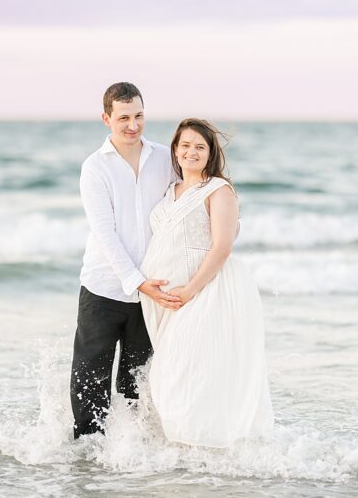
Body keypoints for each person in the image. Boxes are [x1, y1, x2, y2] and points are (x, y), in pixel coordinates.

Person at [139, 118, 274, 448]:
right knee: (173, 371)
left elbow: (222, 247)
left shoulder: (218, 190)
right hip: (167, 300)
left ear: (211, 153)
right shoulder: (169, 191)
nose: (191, 152)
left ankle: (205, 447)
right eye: (185, 145)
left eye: (200, 146)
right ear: (175, 150)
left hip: (206, 291)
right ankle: (184, 449)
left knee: (192, 371)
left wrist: (190, 290)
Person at [70, 82, 181, 439]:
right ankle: (87, 460)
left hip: (151, 292)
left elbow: (191, 198)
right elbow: (105, 233)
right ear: (107, 119)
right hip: (103, 287)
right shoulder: (94, 168)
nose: (133, 125)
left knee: (139, 384)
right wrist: (136, 281)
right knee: (90, 380)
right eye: (124, 118)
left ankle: (132, 462)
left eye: (139, 116)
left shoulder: (165, 158)